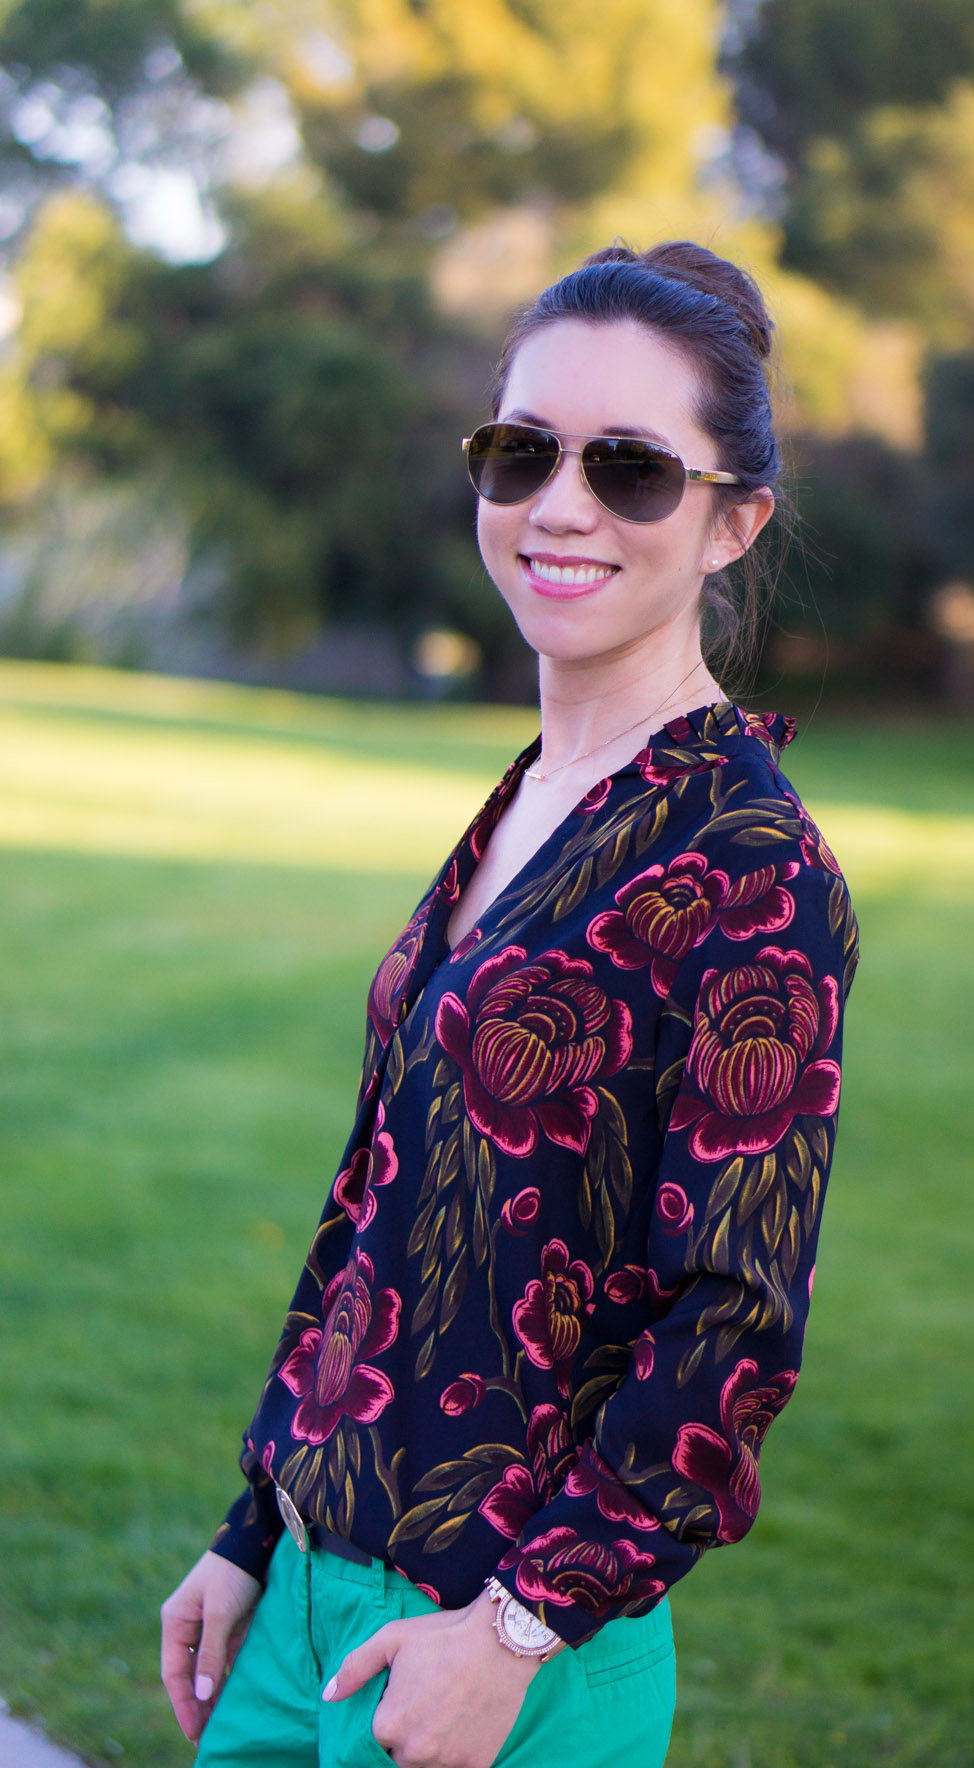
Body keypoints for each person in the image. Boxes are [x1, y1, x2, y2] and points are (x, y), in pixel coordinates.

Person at [160, 240, 860, 1768]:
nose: (561, 502)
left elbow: (735, 1325)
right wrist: (254, 1529)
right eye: (520, 450)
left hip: (507, 1656)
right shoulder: (531, 798)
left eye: (631, 470)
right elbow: (381, 1206)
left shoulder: (755, 868)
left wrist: (518, 1630)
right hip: (308, 1609)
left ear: (734, 521)